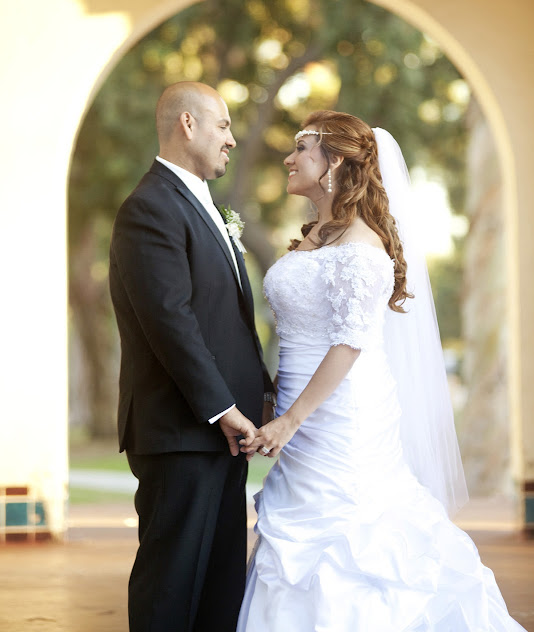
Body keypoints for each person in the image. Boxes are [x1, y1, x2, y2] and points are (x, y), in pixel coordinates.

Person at [237, 110, 525, 631]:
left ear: (336, 161)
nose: (289, 157)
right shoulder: (315, 235)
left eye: (301, 148)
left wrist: (290, 419)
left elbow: (351, 342)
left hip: (342, 417)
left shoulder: (363, 247)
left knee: (351, 536)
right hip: (299, 410)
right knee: (294, 542)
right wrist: (273, 401)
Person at [109, 81, 275, 632]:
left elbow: (225, 322)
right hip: (180, 433)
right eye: (223, 125)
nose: (231, 139)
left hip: (218, 436)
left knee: (218, 586)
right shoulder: (149, 208)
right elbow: (170, 323)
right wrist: (222, 408)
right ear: (188, 124)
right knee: (171, 586)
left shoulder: (200, 203)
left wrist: (260, 394)